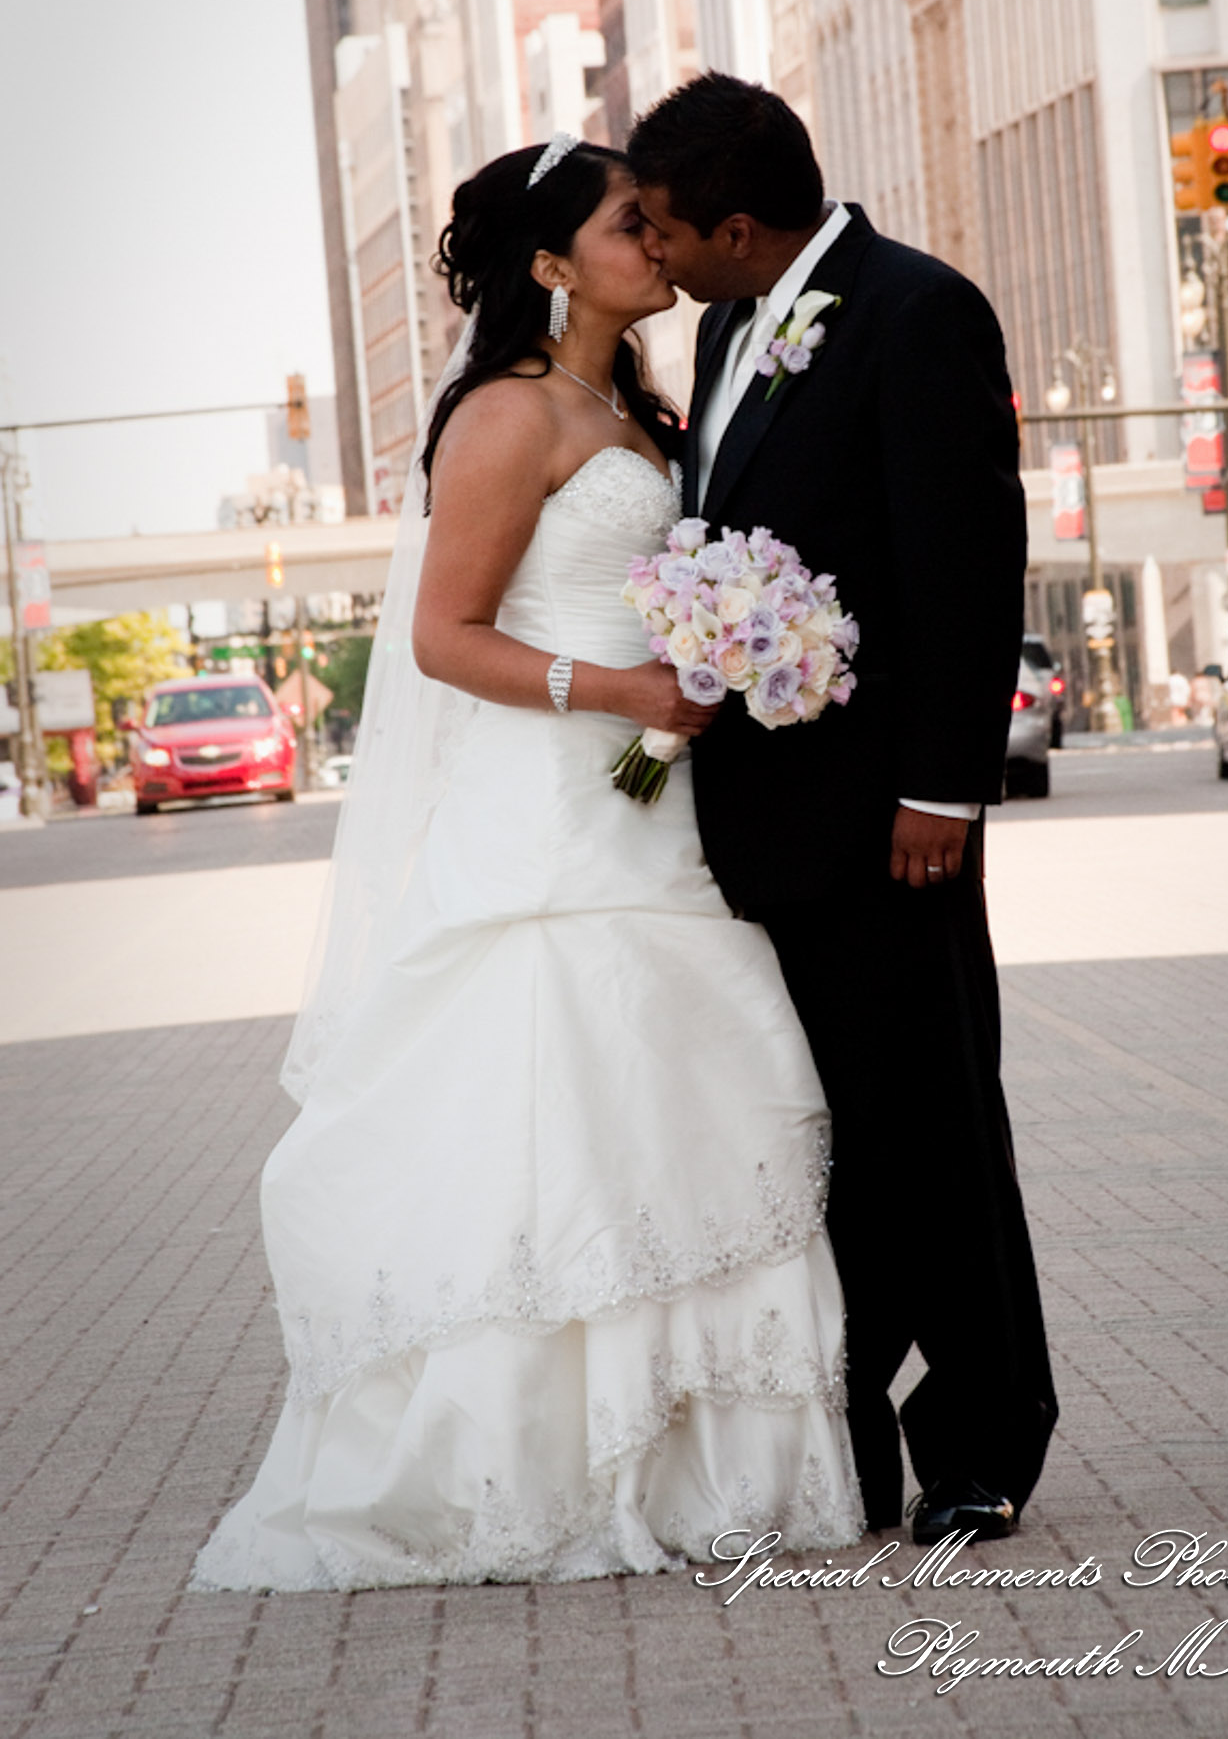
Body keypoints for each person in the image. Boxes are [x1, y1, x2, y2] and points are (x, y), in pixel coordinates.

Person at [190, 137, 863, 1592]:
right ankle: (538, 1465)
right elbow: (443, 637)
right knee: (553, 1112)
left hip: (655, 812)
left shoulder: (637, 407)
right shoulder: (505, 415)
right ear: (555, 261)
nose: (660, 243)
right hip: (554, 812)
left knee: (673, 1101)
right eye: (634, 223)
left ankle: (697, 1459)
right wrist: (621, 694)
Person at [630, 74, 1058, 1545]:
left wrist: (943, 785)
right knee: (837, 1138)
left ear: (741, 224)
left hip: (894, 822)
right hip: (767, 825)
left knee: (935, 1127)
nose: (655, 251)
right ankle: (855, 1431)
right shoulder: (727, 320)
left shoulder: (918, 311)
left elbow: (965, 567)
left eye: (668, 227)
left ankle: (986, 1438)